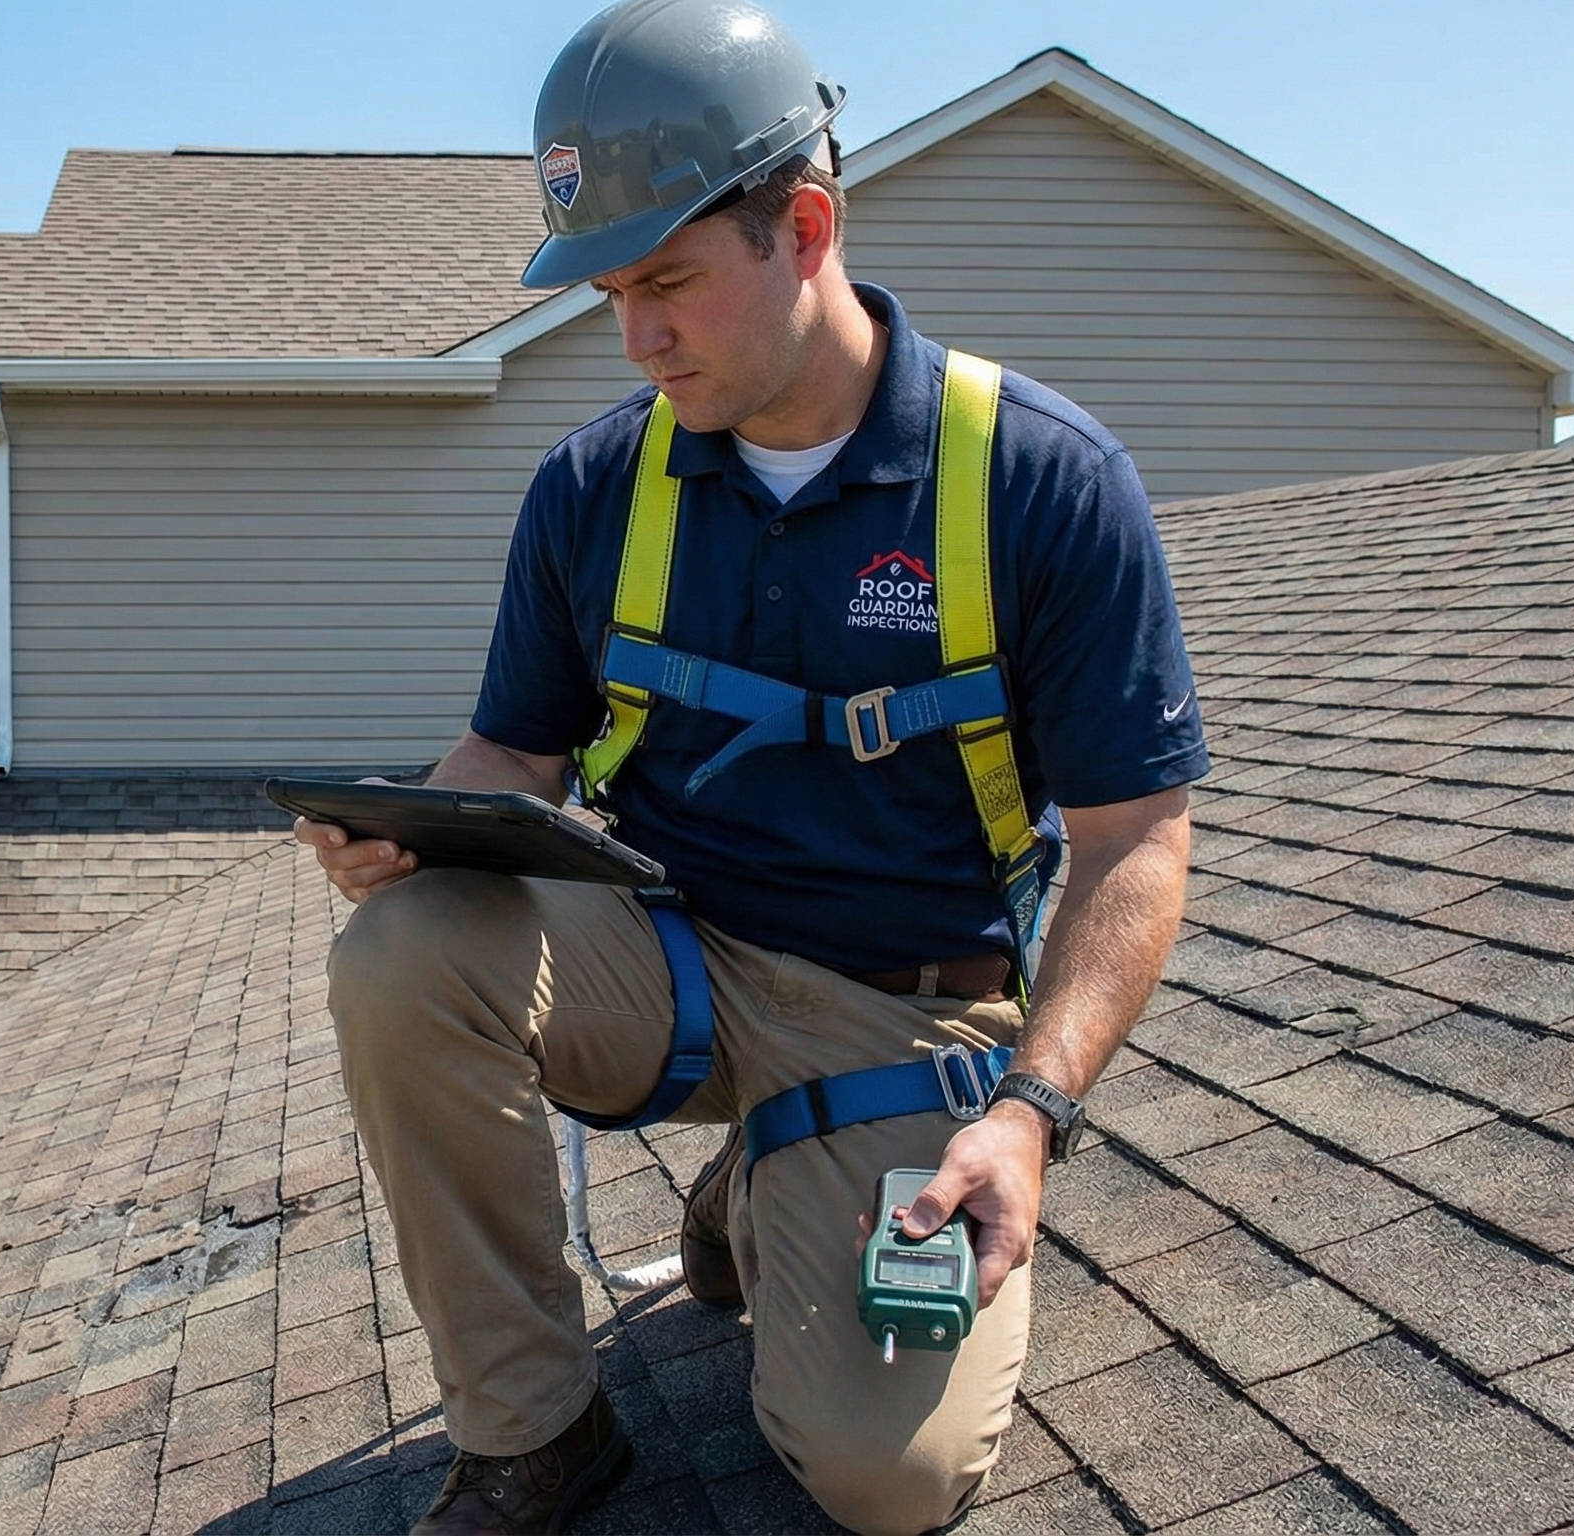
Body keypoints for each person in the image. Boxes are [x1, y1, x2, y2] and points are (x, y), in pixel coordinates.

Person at [295, 3, 1205, 1532]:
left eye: (667, 282)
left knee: (886, 1485)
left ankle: (778, 1186)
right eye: (609, 294)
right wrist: (424, 830)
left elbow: (1136, 841)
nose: (637, 337)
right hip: (667, 961)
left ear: (804, 225)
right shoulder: (594, 485)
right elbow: (516, 746)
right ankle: (537, 1427)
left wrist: (1030, 1114)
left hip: (903, 1011)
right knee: (402, 952)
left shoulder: (1040, 480)